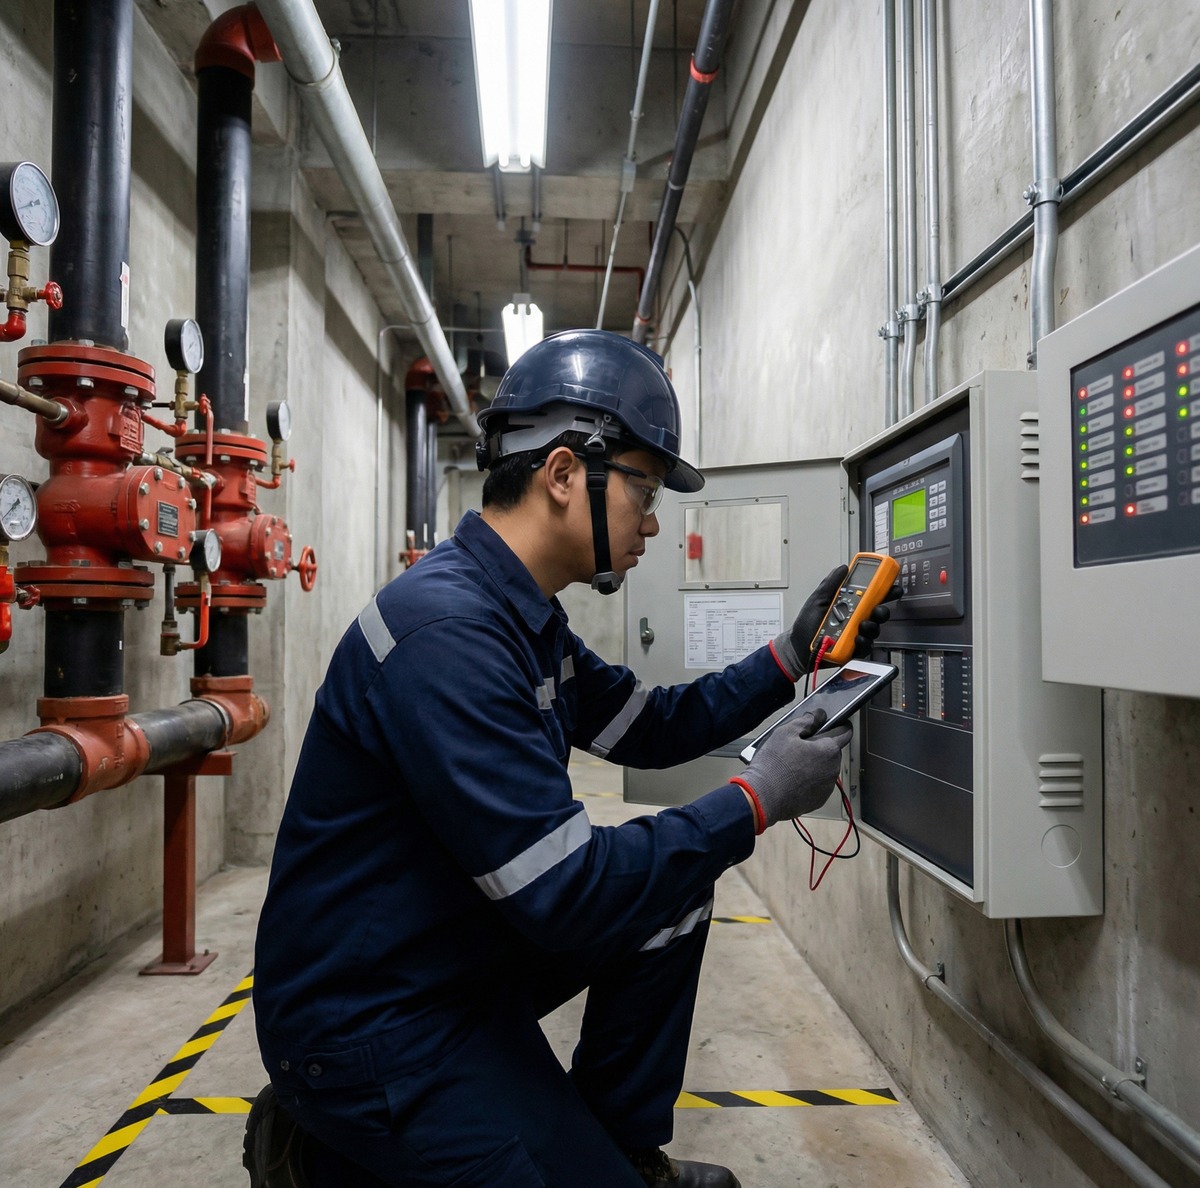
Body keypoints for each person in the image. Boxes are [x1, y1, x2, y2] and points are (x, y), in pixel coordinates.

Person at [245, 329, 891, 1188]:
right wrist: (757, 801)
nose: (654, 522)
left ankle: (623, 1149)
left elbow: (651, 725)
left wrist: (786, 656)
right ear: (560, 475)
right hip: (370, 1020)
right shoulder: (450, 636)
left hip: (445, 955)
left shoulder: (523, 616)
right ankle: (319, 1145)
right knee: (643, 879)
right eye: (645, 491)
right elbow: (563, 894)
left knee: (671, 895)